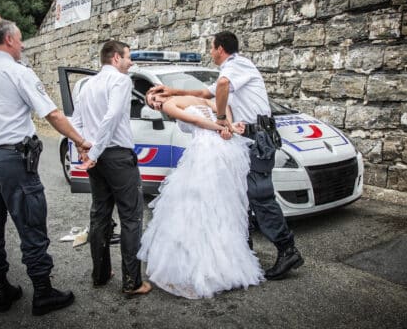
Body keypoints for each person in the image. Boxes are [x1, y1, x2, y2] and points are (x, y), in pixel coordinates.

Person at [0, 19, 91, 315]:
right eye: (20, 40)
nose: (23, 45)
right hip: (12, 161)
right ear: (8, 41)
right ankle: (43, 292)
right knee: (31, 222)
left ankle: (2, 290)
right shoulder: (19, 73)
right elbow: (52, 114)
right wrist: (81, 141)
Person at [151, 31, 304, 280]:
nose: (210, 53)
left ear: (220, 49)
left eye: (211, 48)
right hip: (247, 136)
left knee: (258, 193)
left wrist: (221, 118)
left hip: (258, 137)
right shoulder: (230, 71)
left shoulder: (238, 65)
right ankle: (244, 249)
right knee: (239, 193)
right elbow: (205, 94)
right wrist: (171, 90)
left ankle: (287, 249)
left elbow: (221, 88)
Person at [137, 90, 264, 299]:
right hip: (225, 148)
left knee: (196, 205)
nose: (155, 105)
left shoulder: (171, 105)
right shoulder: (196, 99)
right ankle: (223, 264)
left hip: (206, 150)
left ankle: (204, 265)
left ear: (160, 92)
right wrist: (228, 127)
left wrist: (224, 128)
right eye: (151, 105)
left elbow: (196, 120)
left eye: (154, 99)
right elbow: (222, 108)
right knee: (219, 204)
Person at [72, 40, 151, 297]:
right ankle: (132, 282)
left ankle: (101, 275)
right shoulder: (120, 81)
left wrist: (84, 149)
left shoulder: (87, 85)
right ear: (116, 58)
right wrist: (92, 152)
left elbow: (77, 122)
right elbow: (112, 117)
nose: (131, 62)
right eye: (128, 57)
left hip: (97, 160)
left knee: (100, 214)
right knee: (131, 217)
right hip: (116, 156)